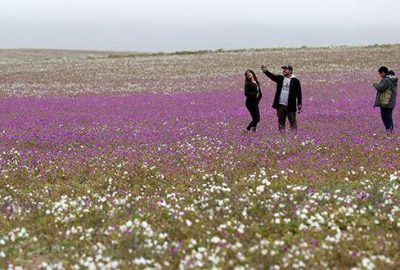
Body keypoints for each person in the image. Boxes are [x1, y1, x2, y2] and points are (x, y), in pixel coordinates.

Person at [261, 64, 302, 132]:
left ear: (290, 71)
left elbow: (299, 93)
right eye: (283, 69)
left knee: (292, 122)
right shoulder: (280, 78)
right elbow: (272, 76)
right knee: (281, 122)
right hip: (280, 105)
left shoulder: (295, 81)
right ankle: (282, 136)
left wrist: (299, 103)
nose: (284, 70)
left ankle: (294, 136)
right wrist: (265, 71)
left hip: (291, 105)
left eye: (286, 69)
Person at [373, 66, 397, 133]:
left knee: (386, 117)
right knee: (387, 116)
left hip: (386, 101)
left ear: (383, 72)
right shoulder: (390, 79)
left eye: (380, 73)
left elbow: (380, 88)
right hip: (388, 101)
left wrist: (375, 85)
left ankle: (389, 130)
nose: (380, 75)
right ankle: (389, 130)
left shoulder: (387, 80)